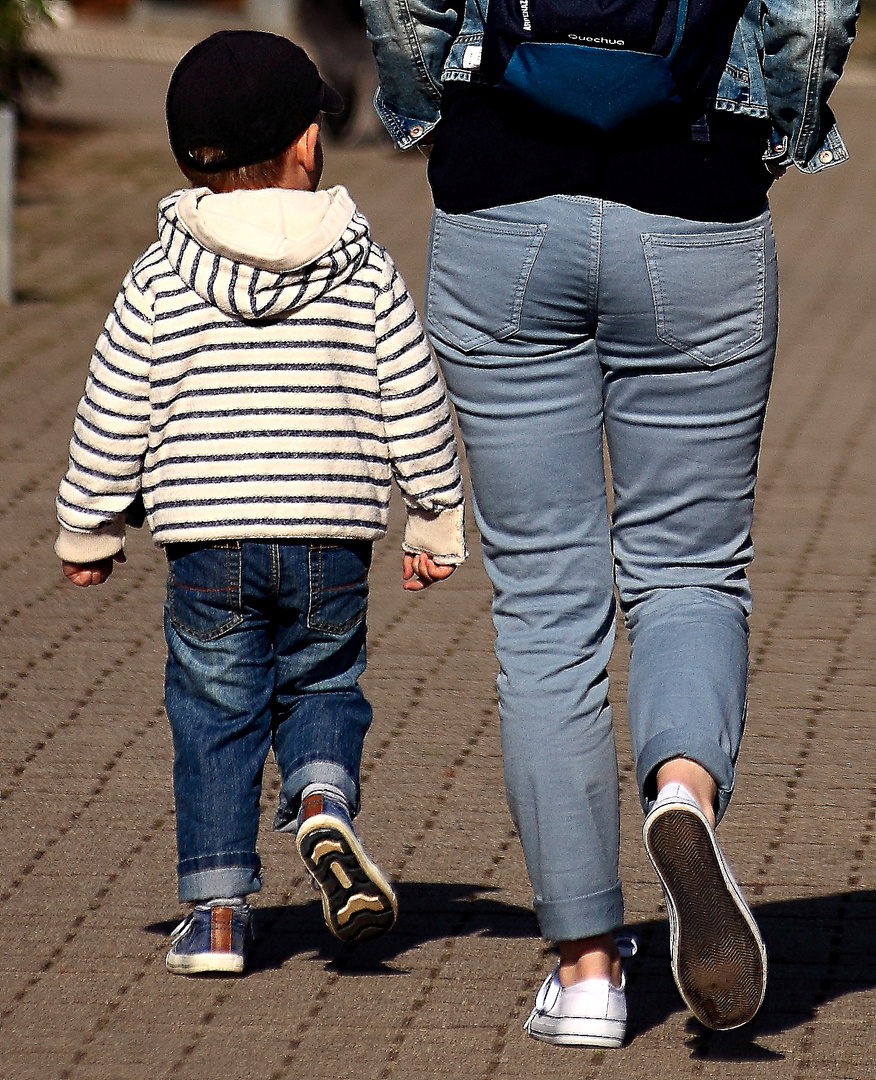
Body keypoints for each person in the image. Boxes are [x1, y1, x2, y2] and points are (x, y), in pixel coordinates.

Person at [360, 0, 858, 1047]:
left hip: (501, 196)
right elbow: (808, 10)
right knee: (691, 570)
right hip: (697, 198)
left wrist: (425, 112)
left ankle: (586, 974)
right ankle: (682, 793)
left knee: (544, 601)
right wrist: (781, 130)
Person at [54, 30, 466, 977]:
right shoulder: (360, 264)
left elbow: (114, 403)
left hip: (208, 548)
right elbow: (412, 390)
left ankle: (218, 917)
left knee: (214, 716)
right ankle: (321, 803)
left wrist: (90, 523)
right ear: (307, 147)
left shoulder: (161, 274)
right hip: (331, 542)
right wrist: (435, 517)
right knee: (322, 686)